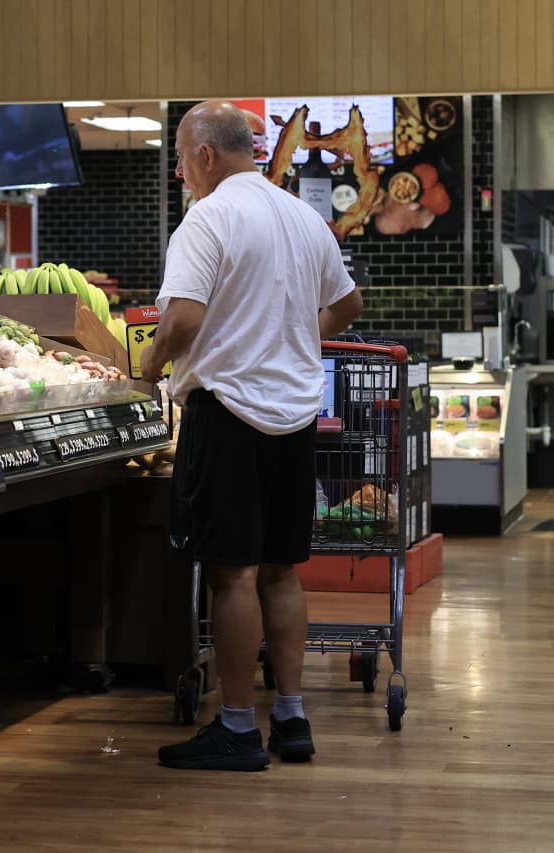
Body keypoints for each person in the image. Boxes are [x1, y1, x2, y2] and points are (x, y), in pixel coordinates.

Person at [143, 101, 364, 772]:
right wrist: (291, 333)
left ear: (207, 154)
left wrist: (147, 367)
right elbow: (349, 304)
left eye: (182, 159)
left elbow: (183, 318)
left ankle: (237, 726)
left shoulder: (209, 216)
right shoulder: (301, 215)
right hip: (296, 414)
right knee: (280, 568)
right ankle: (291, 719)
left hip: (229, 410)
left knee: (232, 572)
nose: (181, 172)